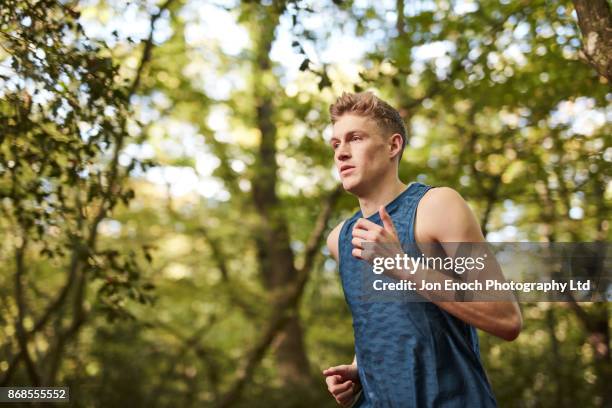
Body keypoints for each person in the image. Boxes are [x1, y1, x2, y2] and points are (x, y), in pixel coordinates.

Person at [322, 92, 522, 407]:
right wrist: (361, 368)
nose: (341, 153)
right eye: (335, 144)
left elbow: (506, 318)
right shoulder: (340, 239)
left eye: (355, 139)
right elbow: (390, 318)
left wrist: (405, 266)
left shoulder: (438, 205)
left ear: (393, 145)